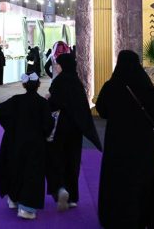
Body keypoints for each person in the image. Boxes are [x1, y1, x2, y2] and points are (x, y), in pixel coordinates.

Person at [96, 50, 154, 229]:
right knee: (142, 179)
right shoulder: (147, 88)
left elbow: (102, 110)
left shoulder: (111, 87)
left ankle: (116, 218)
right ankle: (143, 219)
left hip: (117, 142)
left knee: (117, 180)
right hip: (143, 143)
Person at [45, 53, 102, 211]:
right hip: (76, 129)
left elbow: (54, 104)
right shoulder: (77, 82)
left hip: (60, 127)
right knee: (73, 160)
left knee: (57, 157)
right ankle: (72, 197)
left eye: (58, 64)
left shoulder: (59, 81)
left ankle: (60, 189)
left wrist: (48, 98)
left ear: (63, 65)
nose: (56, 67)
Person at [0, 72, 55, 220]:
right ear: (39, 85)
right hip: (35, 144)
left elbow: (0, 110)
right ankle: (26, 208)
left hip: (15, 142)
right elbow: (48, 124)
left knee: (15, 168)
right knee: (32, 173)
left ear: (23, 85)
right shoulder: (42, 103)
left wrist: (10, 128)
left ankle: (13, 198)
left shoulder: (16, 100)